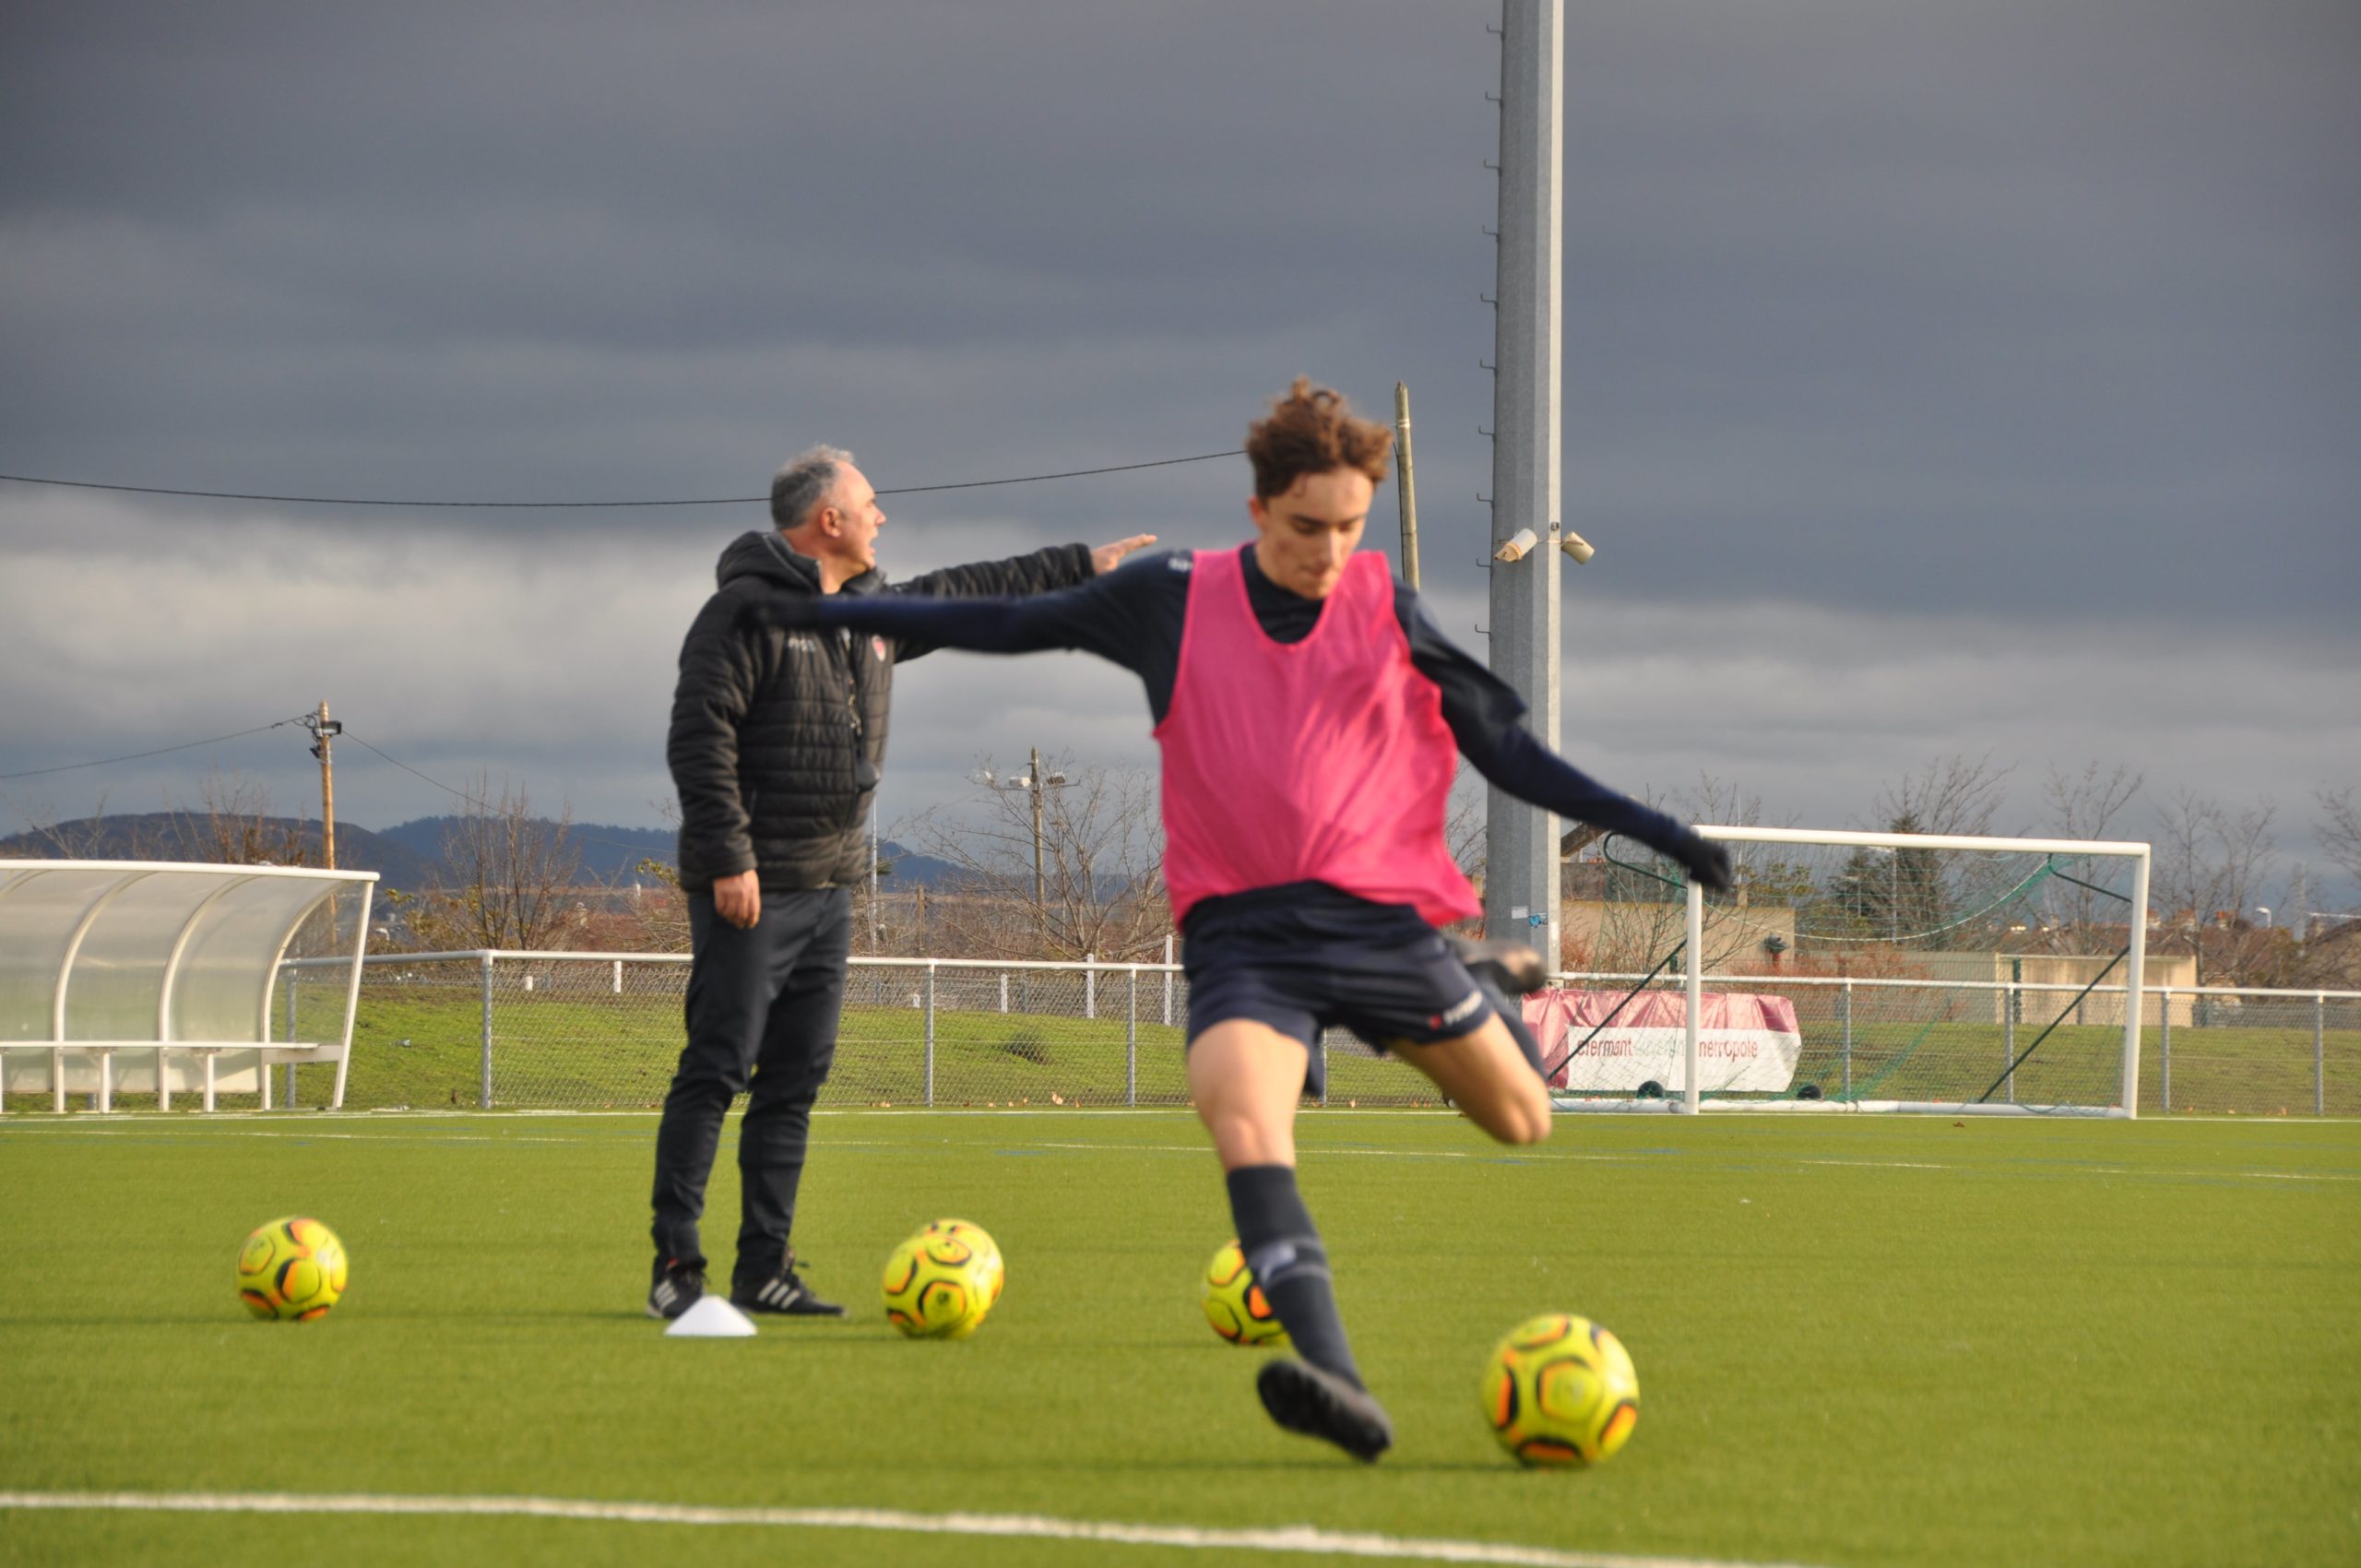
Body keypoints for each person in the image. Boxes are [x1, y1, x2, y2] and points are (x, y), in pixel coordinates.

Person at [755, 383, 1732, 1457]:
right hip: (1242, 940)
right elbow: (1003, 620)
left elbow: (1506, 748)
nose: (1329, 550)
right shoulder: (1173, 596)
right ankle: (1338, 1383)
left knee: (1522, 1120)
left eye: (1350, 527)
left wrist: (1660, 830)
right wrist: (834, 611)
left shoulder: (1384, 607)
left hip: (1374, 929)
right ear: (1260, 507)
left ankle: (1476, 976)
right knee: (1246, 1126)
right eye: (1308, 526)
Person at [650, 444, 1153, 1321]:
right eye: (871, 503)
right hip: (755, 887)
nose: (884, 517)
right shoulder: (742, 613)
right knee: (716, 1069)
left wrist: (1080, 566)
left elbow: (965, 591)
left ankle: (763, 1269)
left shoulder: (870, 613)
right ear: (828, 520)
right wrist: (730, 858)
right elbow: (701, 737)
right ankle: (676, 1271)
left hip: (832, 886)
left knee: (794, 1082)